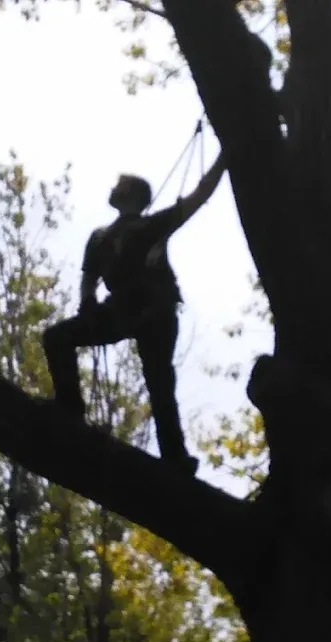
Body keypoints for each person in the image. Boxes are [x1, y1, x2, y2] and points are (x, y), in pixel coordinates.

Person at [41, 155, 227, 475]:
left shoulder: (153, 225)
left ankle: (175, 458)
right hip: (120, 309)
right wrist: (87, 303)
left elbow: (201, 194)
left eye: (120, 185)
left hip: (155, 310)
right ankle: (69, 406)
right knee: (56, 337)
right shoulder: (99, 237)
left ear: (133, 195)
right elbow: (88, 276)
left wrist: (224, 157)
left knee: (159, 381)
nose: (114, 188)